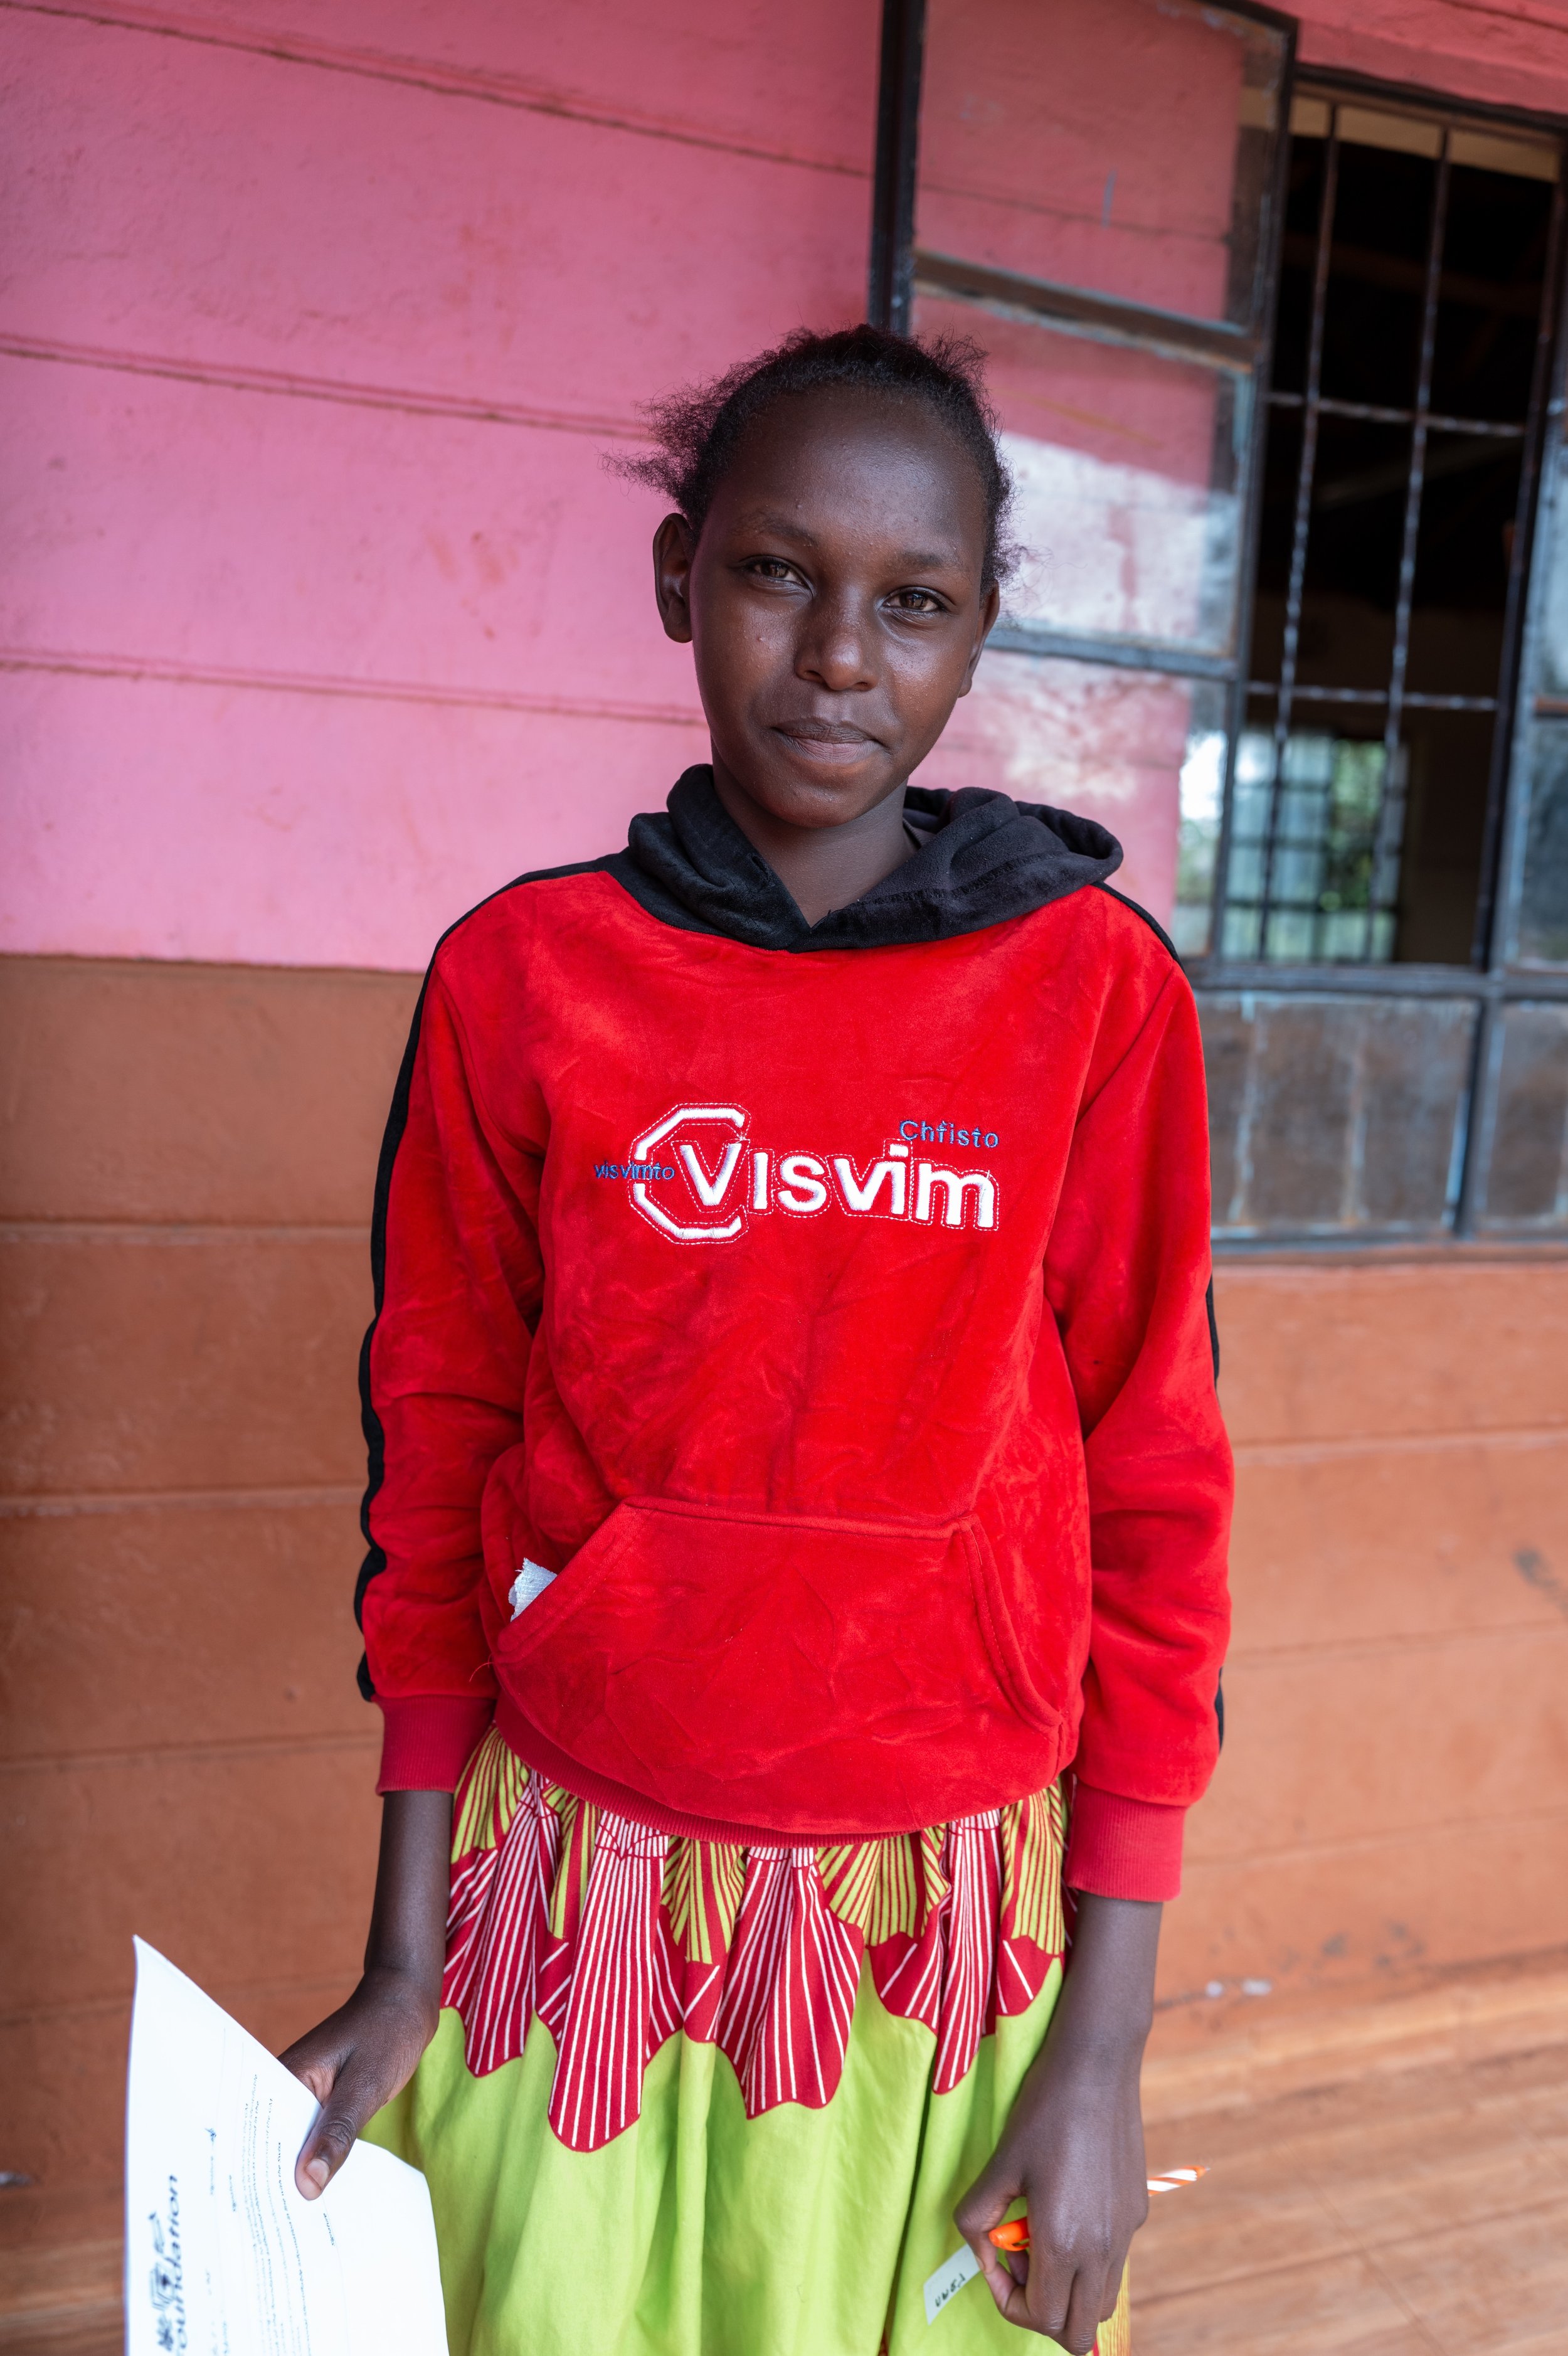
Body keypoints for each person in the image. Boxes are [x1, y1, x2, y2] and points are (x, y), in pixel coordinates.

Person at [280, 324, 1232, 2356]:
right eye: (774, 572)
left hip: (943, 1923)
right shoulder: (526, 977)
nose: (835, 656)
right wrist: (397, 1959)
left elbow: (1155, 1493)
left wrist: (1106, 2049)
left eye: (913, 601)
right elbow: (435, 1455)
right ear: (676, 581)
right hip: (573, 1889)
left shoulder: (1088, 994)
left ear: (980, 635)